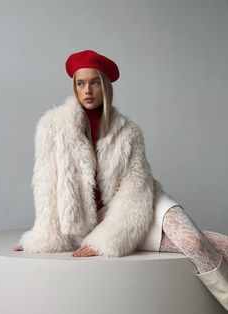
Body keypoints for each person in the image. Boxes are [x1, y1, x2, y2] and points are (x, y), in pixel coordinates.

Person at [13, 49, 228, 310]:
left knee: (194, 241)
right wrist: (43, 236)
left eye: (94, 82)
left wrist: (113, 237)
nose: (87, 90)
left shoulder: (129, 132)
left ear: (105, 86)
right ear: (74, 87)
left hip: (142, 203)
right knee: (213, 244)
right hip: (106, 218)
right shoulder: (52, 127)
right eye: (80, 84)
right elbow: (46, 185)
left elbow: (136, 186)